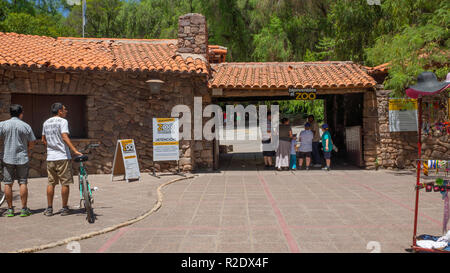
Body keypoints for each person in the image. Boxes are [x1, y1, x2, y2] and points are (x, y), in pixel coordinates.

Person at [42, 103, 82, 216]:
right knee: (65, 183)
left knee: (51, 183)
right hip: (62, 156)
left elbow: (43, 140)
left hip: (50, 157)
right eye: (65, 109)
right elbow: (64, 136)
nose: (66, 111)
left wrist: (51, 147)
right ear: (59, 111)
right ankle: (64, 208)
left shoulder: (46, 122)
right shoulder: (63, 121)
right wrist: (74, 150)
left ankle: (49, 209)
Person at [0, 104, 36, 217]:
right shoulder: (26, 126)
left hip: (7, 157)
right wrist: (26, 148)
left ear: (10, 113)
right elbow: (32, 143)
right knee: (23, 182)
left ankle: (10, 210)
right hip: (22, 158)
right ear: (21, 113)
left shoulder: (3, 125)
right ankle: (24, 209)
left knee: (7, 183)